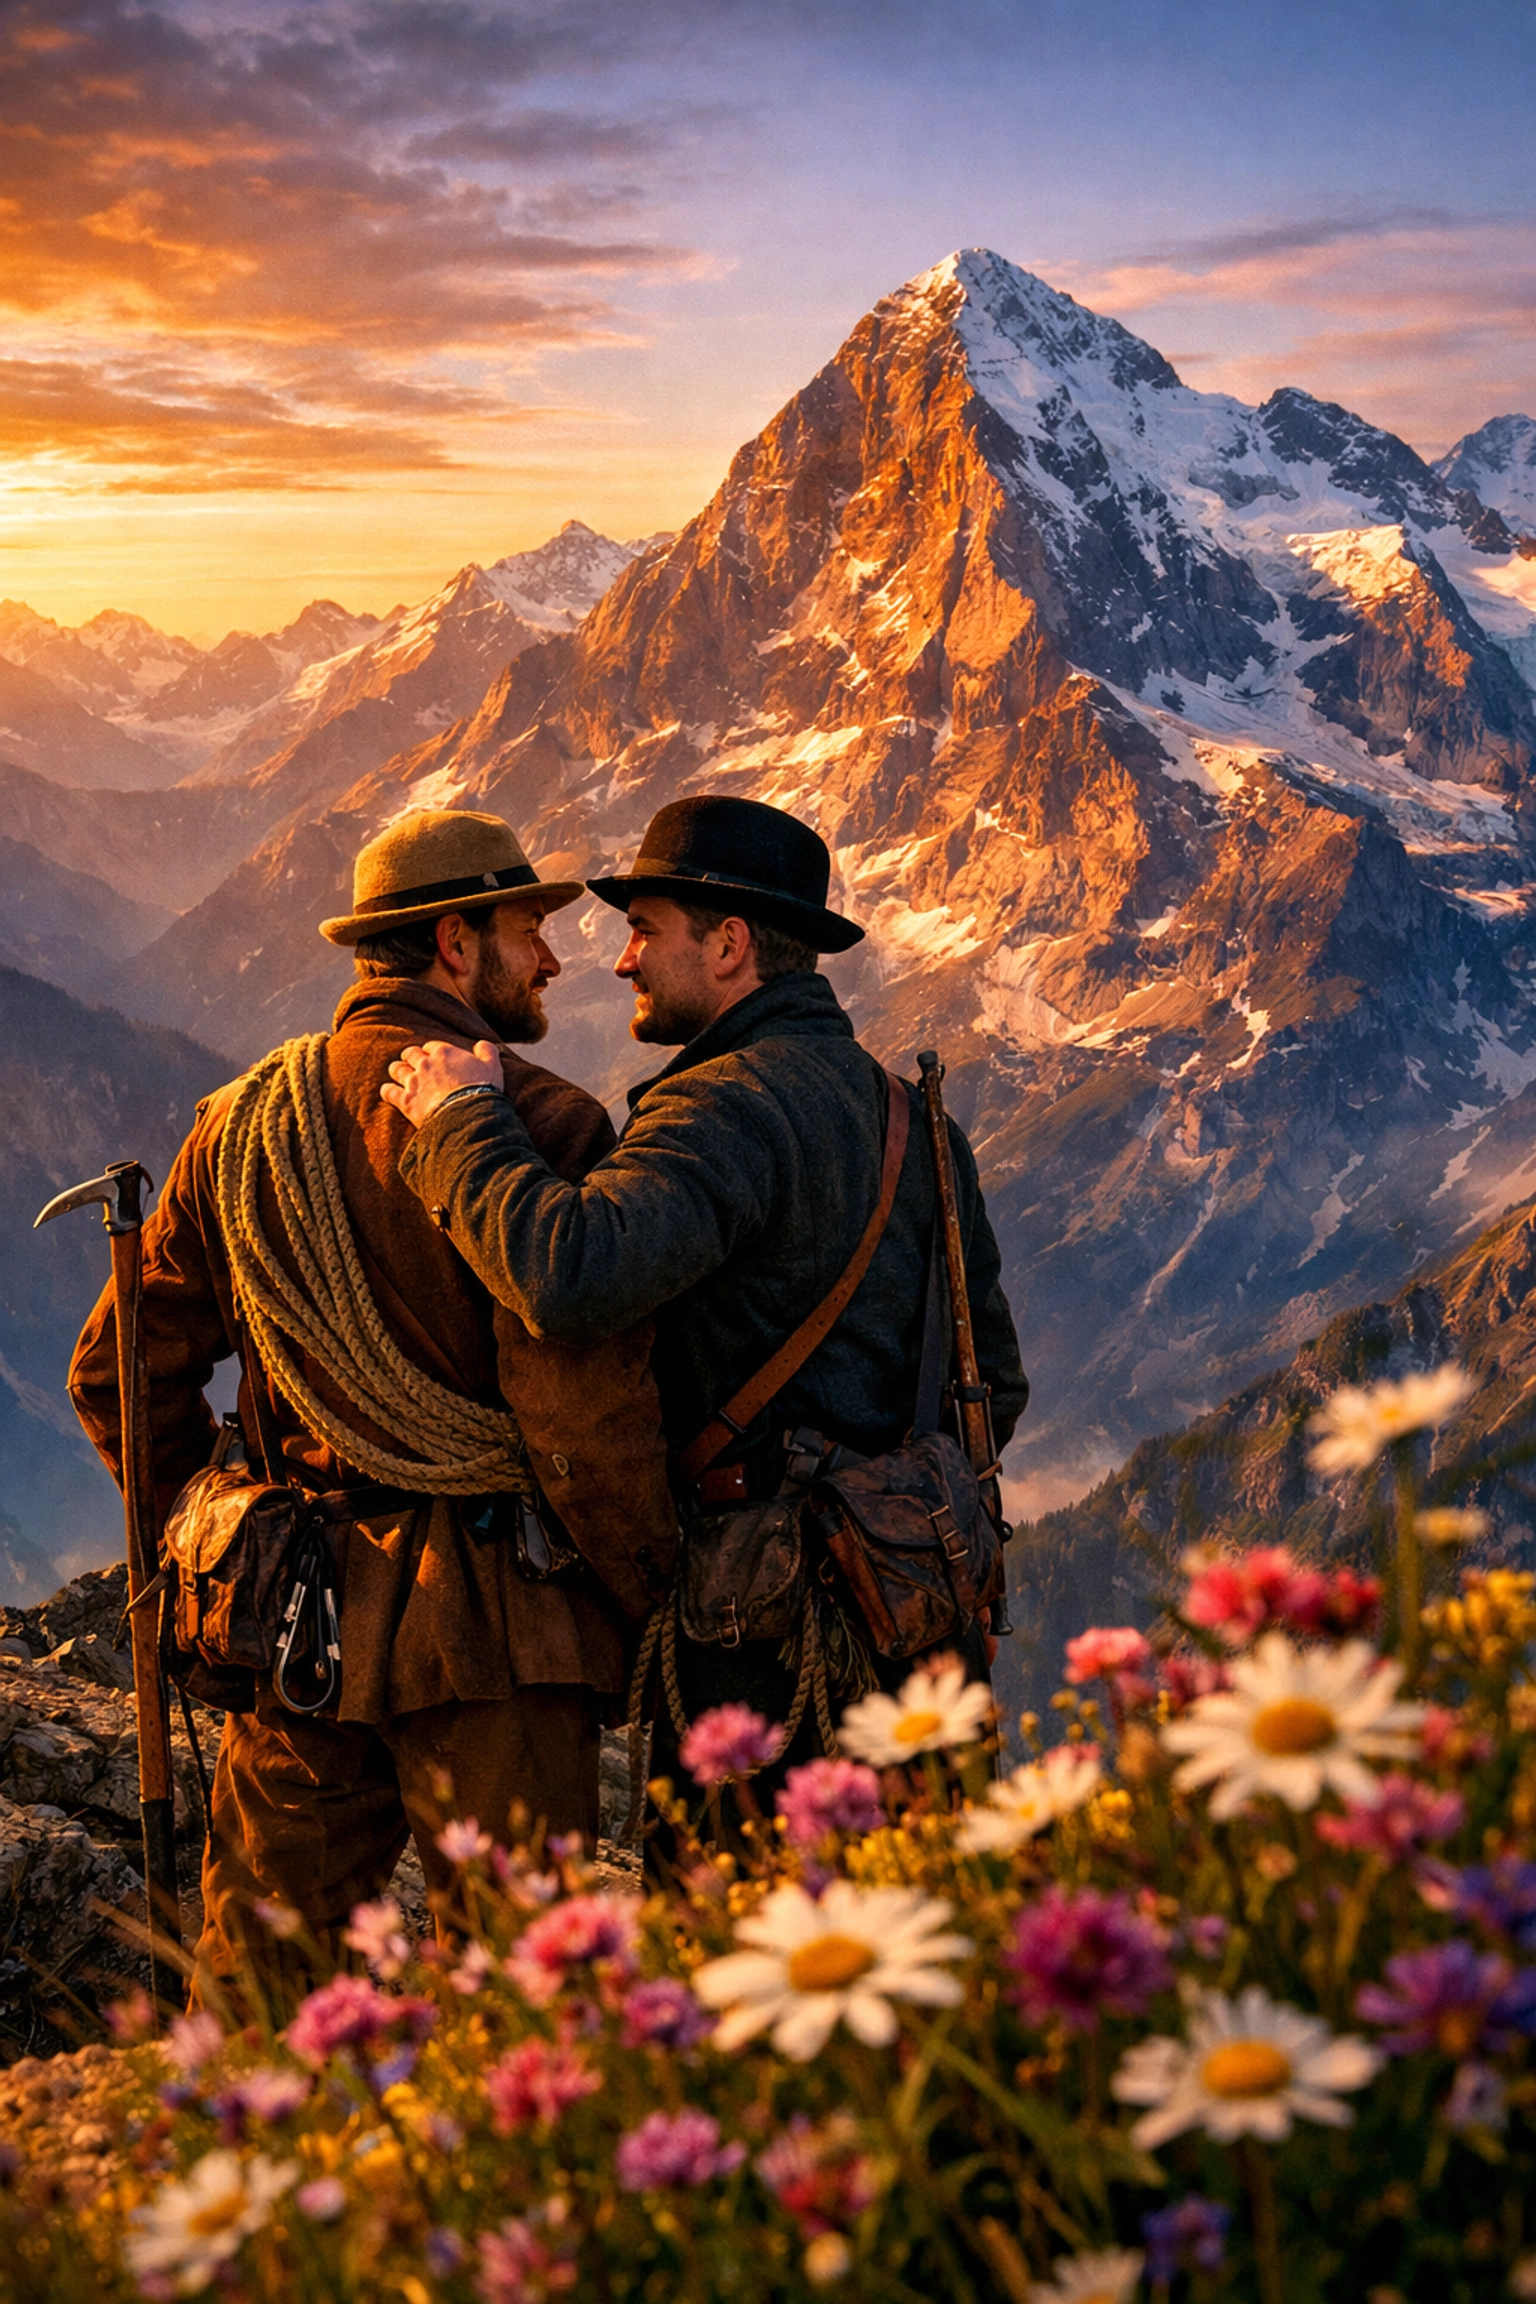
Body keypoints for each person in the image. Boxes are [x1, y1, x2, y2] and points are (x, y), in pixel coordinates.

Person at [69, 808, 677, 2003]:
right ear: (455, 944)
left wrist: (211, 1537)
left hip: (293, 1617)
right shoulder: (544, 1129)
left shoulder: (238, 1127)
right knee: (523, 1999)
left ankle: (251, 2178)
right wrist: (644, 1597)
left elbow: (119, 1378)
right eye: (526, 930)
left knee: (260, 1986)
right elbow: (582, 1424)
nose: (552, 959)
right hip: (502, 1626)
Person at [380, 795, 1027, 1807]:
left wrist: (462, 1121)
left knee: (739, 1935)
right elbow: (998, 1379)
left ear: (729, 945)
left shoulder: (721, 1104)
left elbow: (569, 1277)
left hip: (758, 1640)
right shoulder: (913, 1118)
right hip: (916, 1618)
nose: (624, 961)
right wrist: (881, 1495)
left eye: (643, 931)